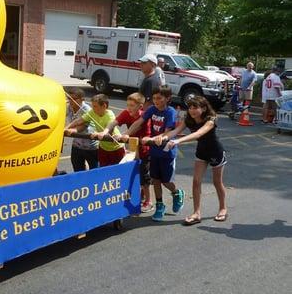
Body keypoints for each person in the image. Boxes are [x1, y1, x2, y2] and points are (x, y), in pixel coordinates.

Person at [123, 85, 184, 221]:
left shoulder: (170, 112)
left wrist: (154, 138)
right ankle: (159, 206)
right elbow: (139, 122)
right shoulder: (151, 109)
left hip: (167, 151)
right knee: (155, 179)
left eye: (159, 98)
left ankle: (176, 192)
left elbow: (168, 131)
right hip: (154, 150)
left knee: (166, 181)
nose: (156, 101)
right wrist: (127, 133)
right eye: (154, 98)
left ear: (167, 98)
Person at [163, 96, 227, 225]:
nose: (192, 111)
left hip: (216, 152)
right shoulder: (189, 119)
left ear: (203, 108)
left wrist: (178, 141)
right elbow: (175, 131)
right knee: (196, 182)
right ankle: (196, 213)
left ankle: (223, 208)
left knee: (217, 182)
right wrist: (159, 138)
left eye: (195, 107)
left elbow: (198, 134)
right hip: (201, 153)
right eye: (190, 108)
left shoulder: (210, 119)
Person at [93, 92, 154, 212]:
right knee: (131, 173)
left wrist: (126, 134)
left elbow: (137, 127)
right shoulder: (126, 113)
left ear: (140, 107)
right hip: (132, 148)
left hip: (144, 150)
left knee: (144, 176)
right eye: (128, 105)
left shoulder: (144, 116)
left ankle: (149, 201)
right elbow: (113, 123)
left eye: (132, 105)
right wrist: (105, 132)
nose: (128, 108)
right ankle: (138, 195)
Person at [65, 94, 126, 167]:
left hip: (116, 148)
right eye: (92, 106)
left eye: (95, 106)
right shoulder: (93, 112)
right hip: (103, 148)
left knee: (117, 170)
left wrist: (99, 133)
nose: (93, 108)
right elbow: (79, 121)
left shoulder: (110, 115)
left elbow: (109, 130)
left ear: (104, 106)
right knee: (102, 171)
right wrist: (66, 128)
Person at [65, 88, 99, 172]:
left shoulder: (86, 109)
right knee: (77, 169)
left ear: (82, 99)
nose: (71, 101)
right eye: (69, 98)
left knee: (94, 171)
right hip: (77, 144)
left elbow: (84, 125)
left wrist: (74, 130)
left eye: (74, 99)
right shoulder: (69, 107)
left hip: (91, 146)